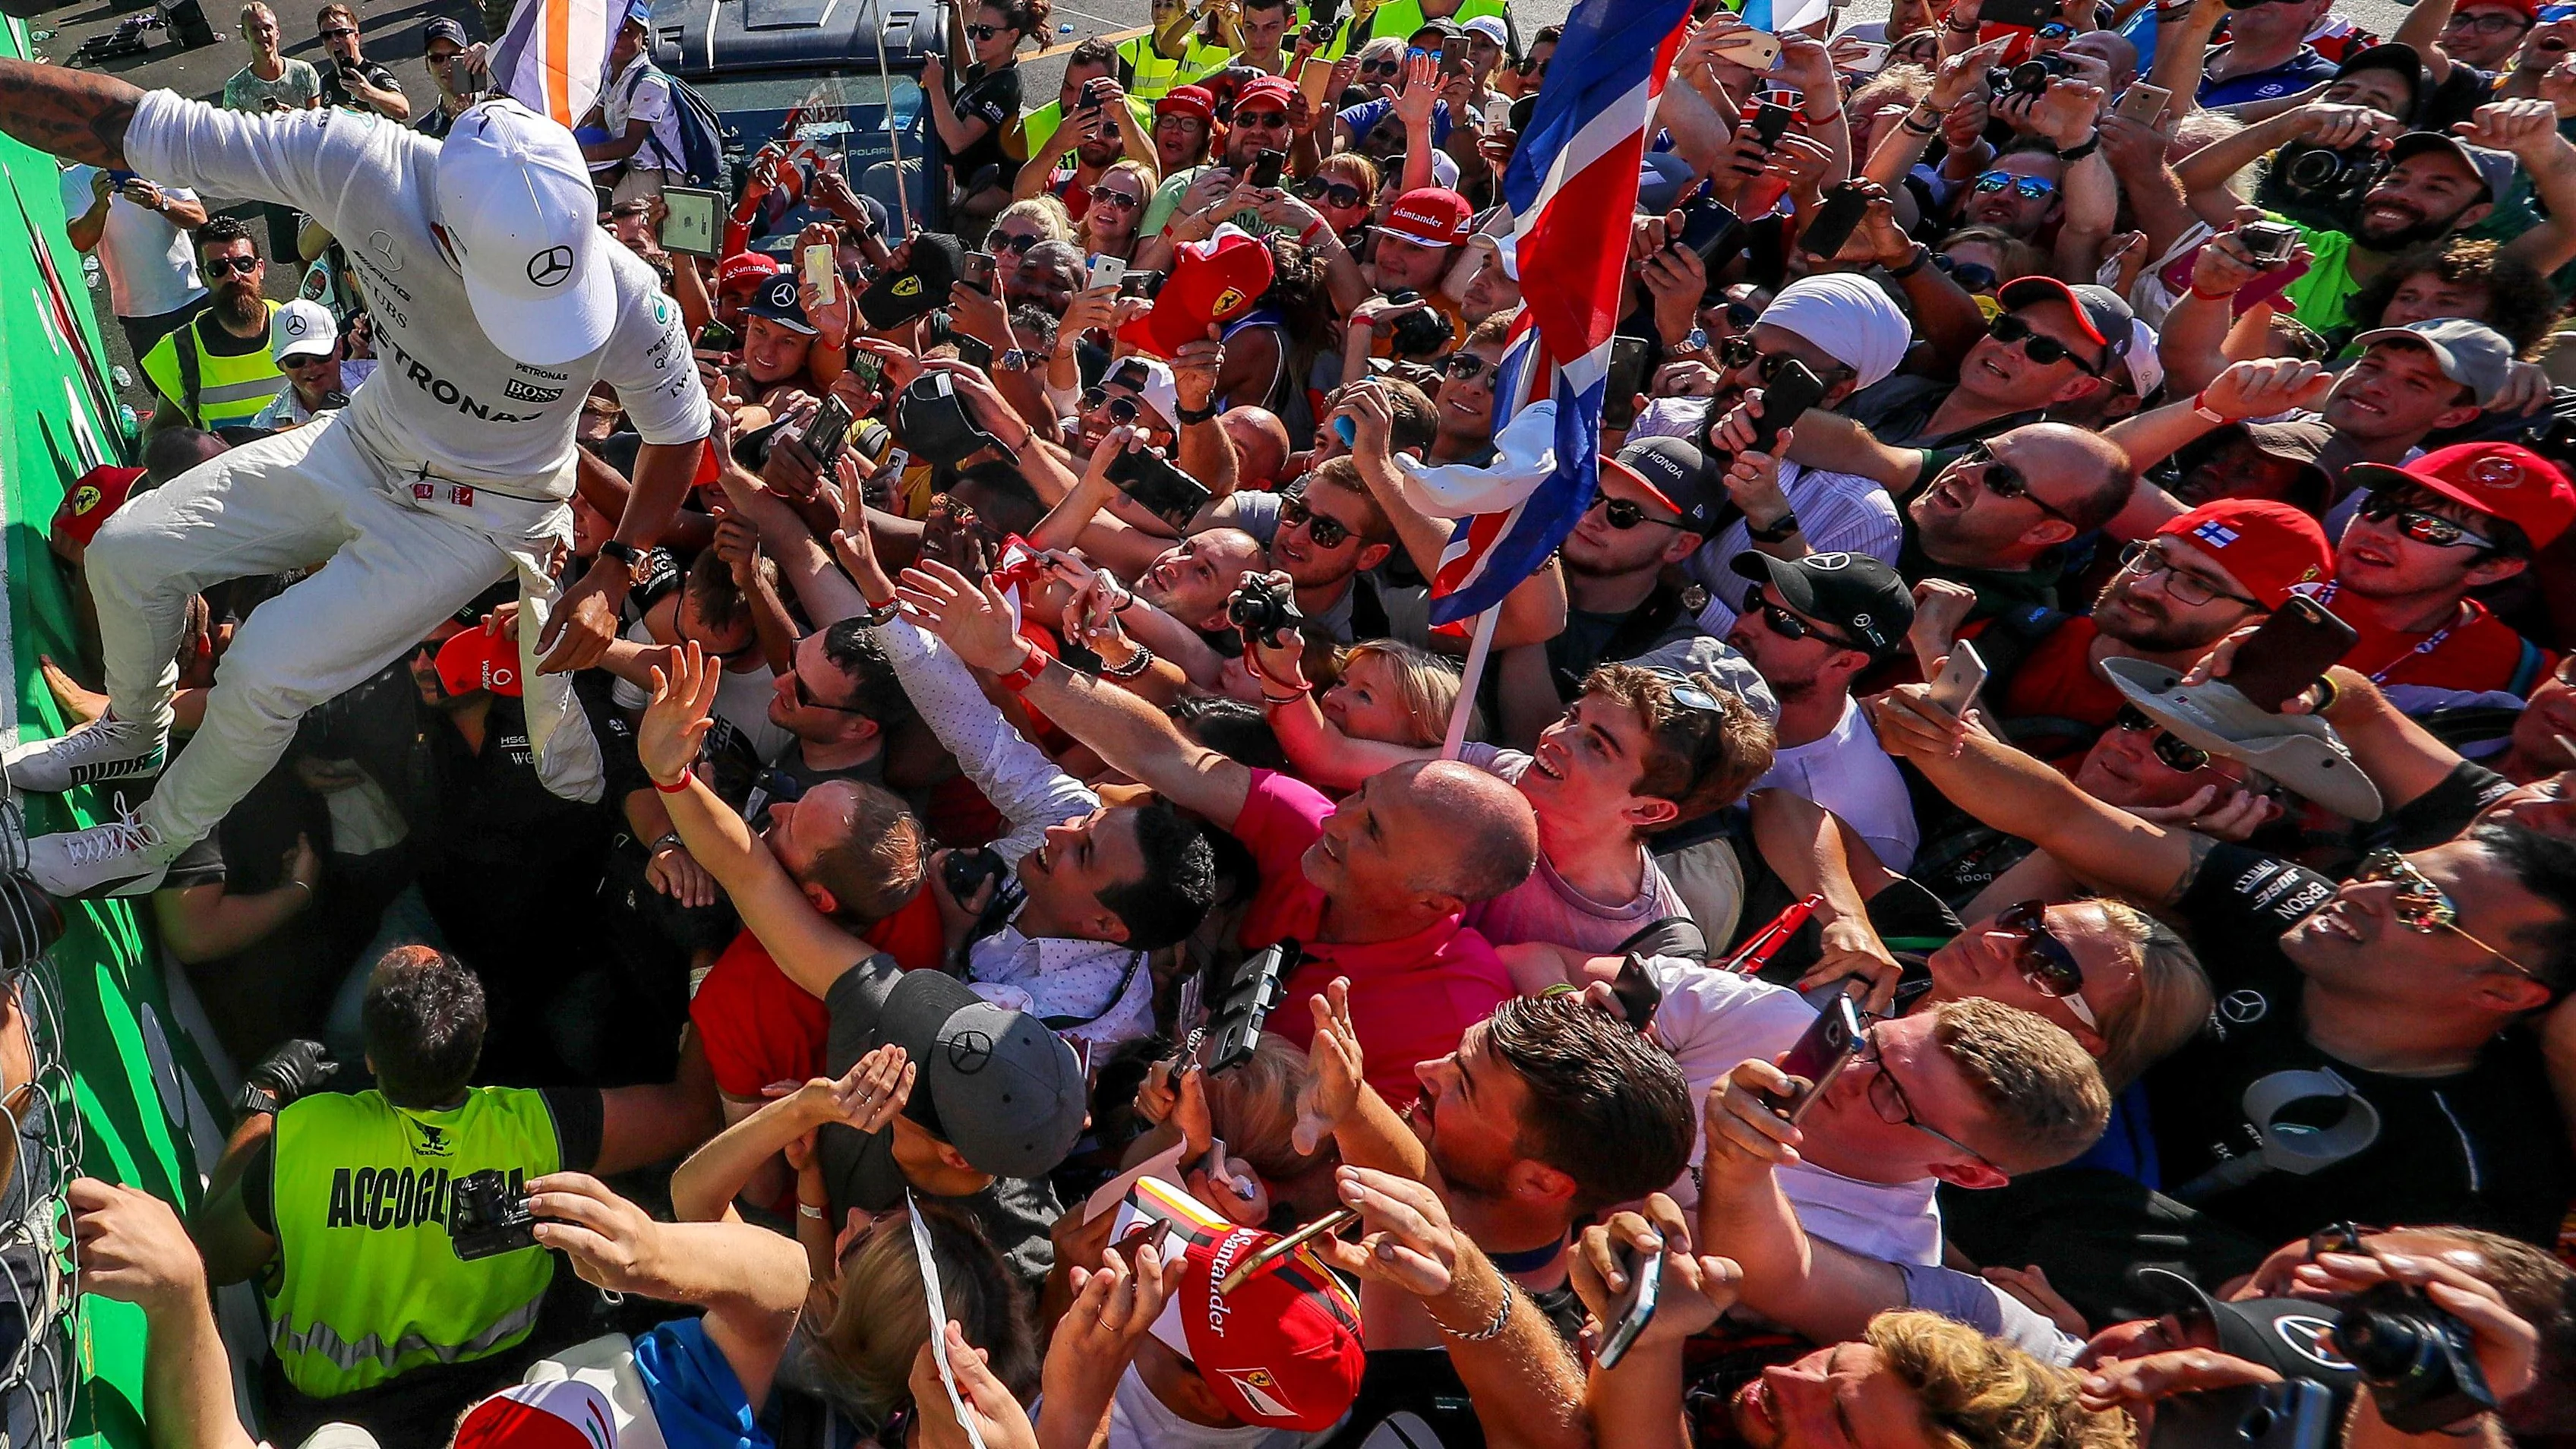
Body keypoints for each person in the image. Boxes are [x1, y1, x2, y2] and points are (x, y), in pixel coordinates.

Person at [0, 74, 711, 899]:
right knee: (126, 552)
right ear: (442, 217)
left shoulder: (628, 294)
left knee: (265, 668)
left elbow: (680, 430)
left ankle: (151, 841)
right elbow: (130, 122)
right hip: (363, 442)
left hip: (478, 519)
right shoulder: (361, 162)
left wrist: (616, 564)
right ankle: (132, 728)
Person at [1873, 671, 2576, 1258]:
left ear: (2506, 990)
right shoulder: (2294, 902)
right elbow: (2068, 818)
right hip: (1937, 1150)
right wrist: (1944, 744)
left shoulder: (2472, 1177)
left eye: (2423, 906)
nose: (2365, 894)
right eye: (2391, 867)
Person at [896, 555, 1539, 1106]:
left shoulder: (1454, 1016)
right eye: (1360, 797)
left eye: (1372, 832)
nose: (1335, 820)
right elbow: (1164, 753)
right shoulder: (1305, 825)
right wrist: (1015, 659)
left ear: (1435, 903)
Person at [188, 947, 686, 1449]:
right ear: (476, 1048)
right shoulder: (539, 1129)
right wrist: (708, 964)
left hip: (321, 1416)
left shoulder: (307, 1135)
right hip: (480, 1405)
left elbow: (212, 1255)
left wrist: (263, 1098)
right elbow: (691, 1114)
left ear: (369, 1058)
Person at [2306, 441, 2569, 706]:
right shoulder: (2281, 548)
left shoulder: (2521, 676)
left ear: (2491, 568)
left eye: (2428, 527)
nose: (2378, 531)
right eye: (2379, 506)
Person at [1727, 553, 1922, 870]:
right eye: (1754, 600)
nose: (1745, 624)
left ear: (1845, 662)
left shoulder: (1868, 824)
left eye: (1784, 623)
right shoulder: (1716, 670)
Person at [61, 155, 207, 361]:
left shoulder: (153, 160)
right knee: (164, 390)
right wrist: (100, 207)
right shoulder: (74, 178)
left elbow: (199, 218)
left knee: (219, 378)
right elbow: (80, 241)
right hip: (140, 314)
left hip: (193, 295)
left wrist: (160, 202)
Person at [584, 1, 689, 207]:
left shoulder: (649, 83)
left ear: (644, 42)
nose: (618, 36)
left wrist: (582, 154)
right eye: (614, 29)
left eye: (628, 30)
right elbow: (598, 121)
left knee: (608, 218)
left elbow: (630, 144)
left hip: (659, 173)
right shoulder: (609, 73)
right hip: (629, 165)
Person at [249, 298, 377, 431]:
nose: (310, 367)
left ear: (339, 348)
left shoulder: (383, 382)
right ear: (280, 365)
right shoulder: (267, 426)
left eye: (319, 355)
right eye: (296, 360)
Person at [314, 5, 410, 122]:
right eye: (327, 36)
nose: (335, 40)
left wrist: (370, 94)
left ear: (356, 37)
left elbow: (404, 109)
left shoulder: (373, 74)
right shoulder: (326, 81)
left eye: (341, 33)